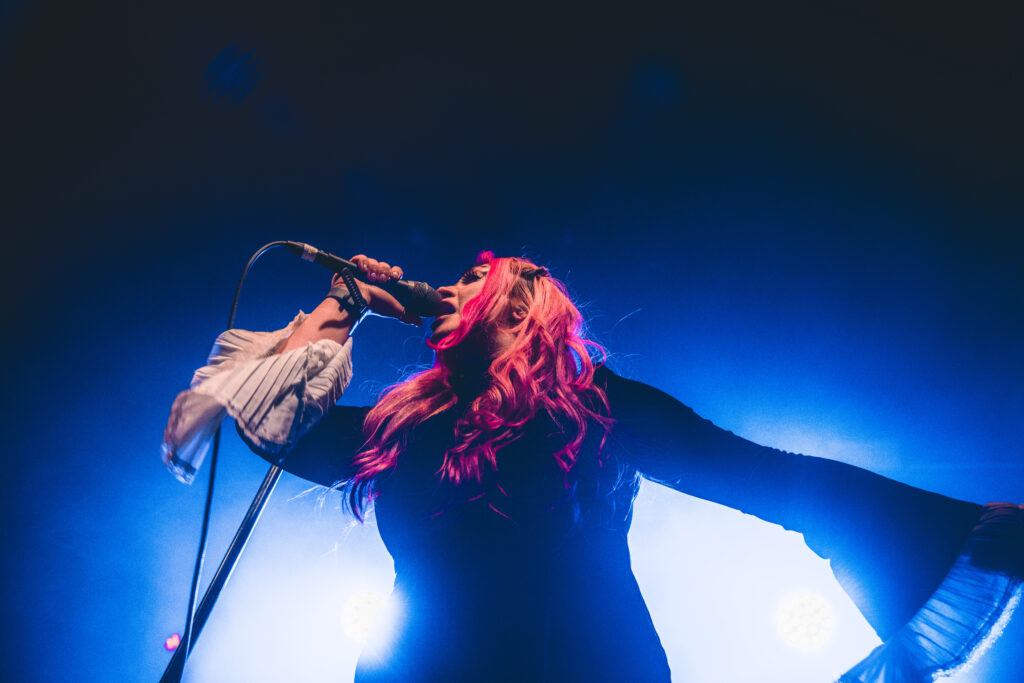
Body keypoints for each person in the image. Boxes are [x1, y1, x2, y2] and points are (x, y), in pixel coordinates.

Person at [164, 252, 1023, 682]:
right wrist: (340, 305)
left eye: (474, 278)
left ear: (524, 302)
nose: (450, 289)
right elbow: (276, 424)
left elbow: (766, 475)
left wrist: (961, 533)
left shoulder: (594, 403)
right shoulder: (404, 424)